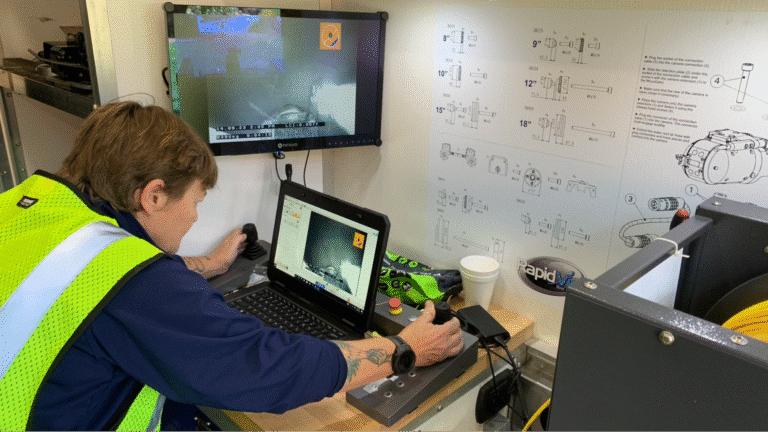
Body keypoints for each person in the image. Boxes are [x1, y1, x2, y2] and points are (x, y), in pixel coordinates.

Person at [0, 101, 464, 430]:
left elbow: (86, 277)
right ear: (153, 195)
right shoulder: (136, 286)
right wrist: (403, 349)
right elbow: (264, 368)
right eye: (195, 201)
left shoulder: (28, 206)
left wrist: (204, 264)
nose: (195, 217)